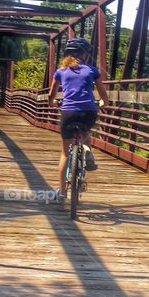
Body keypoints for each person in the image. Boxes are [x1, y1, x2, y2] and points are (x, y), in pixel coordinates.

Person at [47, 37, 109, 203]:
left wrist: (53, 102)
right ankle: (88, 152)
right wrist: (103, 102)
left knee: (65, 153)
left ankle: (61, 194)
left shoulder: (60, 72)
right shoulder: (92, 70)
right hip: (88, 111)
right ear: (84, 53)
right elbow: (104, 95)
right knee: (86, 133)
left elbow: (51, 95)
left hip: (68, 112)